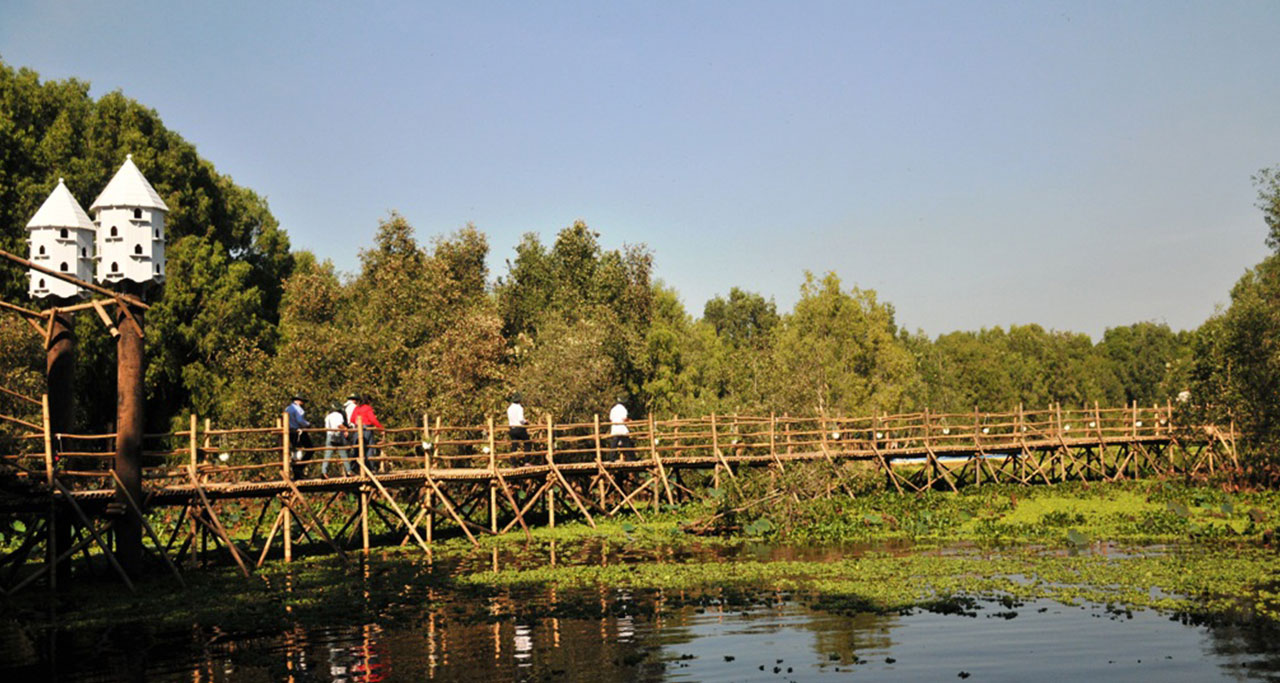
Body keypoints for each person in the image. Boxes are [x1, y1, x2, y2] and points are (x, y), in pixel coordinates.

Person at [350, 394, 384, 471]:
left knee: (357, 448)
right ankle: (370, 468)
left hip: (357, 428)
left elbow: (352, 419)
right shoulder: (368, 408)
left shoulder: (357, 408)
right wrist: (380, 428)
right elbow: (372, 419)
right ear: (368, 401)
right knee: (369, 448)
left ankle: (354, 468)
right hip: (366, 428)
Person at [284, 394, 311, 479]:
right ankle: (299, 469)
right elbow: (300, 420)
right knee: (310, 449)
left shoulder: (287, 408)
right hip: (298, 431)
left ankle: (296, 472)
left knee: (295, 451)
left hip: (290, 431)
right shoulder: (299, 409)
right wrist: (307, 424)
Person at [323, 402, 351, 477]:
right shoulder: (339, 415)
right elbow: (339, 425)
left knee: (328, 454)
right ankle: (349, 471)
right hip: (337, 436)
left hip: (329, 435)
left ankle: (324, 471)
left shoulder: (328, 416)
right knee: (343, 453)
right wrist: (345, 429)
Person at [507, 392, 531, 463]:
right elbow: (520, 419)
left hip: (512, 428)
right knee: (527, 442)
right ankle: (526, 461)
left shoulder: (509, 408)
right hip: (519, 428)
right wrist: (526, 421)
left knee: (514, 444)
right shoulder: (520, 408)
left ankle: (513, 461)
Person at [609, 395, 633, 461]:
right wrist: (629, 420)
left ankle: (612, 458)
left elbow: (611, 419)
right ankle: (631, 458)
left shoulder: (613, 409)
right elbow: (624, 418)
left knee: (614, 444)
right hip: (621, 428)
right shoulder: (623, 409)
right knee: (627, 444)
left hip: (614, 428)